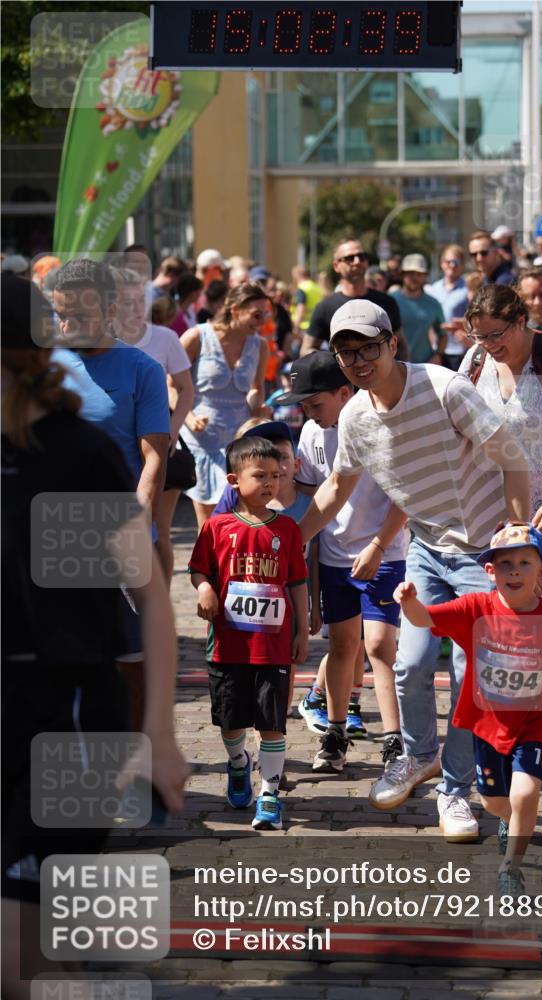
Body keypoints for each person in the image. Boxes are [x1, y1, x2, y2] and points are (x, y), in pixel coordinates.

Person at [1, 273, 189, 997]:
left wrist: (160, 735)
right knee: (37, 961)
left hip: (67, 718)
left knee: (17, 963)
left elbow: (146, 595)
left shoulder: (69, 455)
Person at [298, 299, 530, 840]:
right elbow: (336, 488)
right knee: (412, 662)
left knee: (471, 678)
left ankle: (455, 793)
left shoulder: (445, 388)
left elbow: (511, 455)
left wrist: (516, 541)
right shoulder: (354, 416)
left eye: (368, 348)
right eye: (346, 352)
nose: (358, 361)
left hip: (481, 550)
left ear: (392, 344)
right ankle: (420, 756)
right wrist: (288, 539)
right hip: (426, 548)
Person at [393, 522, 542, 896]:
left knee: (525, 793)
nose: (515, 570)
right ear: (490, 572)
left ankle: (511, 868)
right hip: (487, 727)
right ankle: (511, 821)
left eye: (525, 563)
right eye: (505, 563)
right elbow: (424, 618)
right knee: (495, 801)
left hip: (534, 726)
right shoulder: (475, 609)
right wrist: (409, 600)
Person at [52, 259, 171, 728]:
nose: (66, 326)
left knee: (130, 660)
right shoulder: (44, 368)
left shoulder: (140, 369)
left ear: (107, 308)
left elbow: (155, 460)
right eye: (59, 314)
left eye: (77, 316)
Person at [275, 351, 407, 772]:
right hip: (334, 558)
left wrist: (380, 547)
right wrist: (311, 590)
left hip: (383, 554)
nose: (308, 413)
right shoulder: (313, 433)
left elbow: (403, 500)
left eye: (314, 404)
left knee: (380, 647)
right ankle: (335, 736)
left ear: (344, 392)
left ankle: (393, 741)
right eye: (303, 407)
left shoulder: (382, 425)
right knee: (342, 645)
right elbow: (316, 503)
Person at [189, 436, 309, 831]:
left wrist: (302, 629)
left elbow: (297, 582)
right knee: (231, 721)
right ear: (234, 480)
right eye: (260, 475)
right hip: (227, 646)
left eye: (276, 475)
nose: (270, 483)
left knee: (272, 723)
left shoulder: (288, 530)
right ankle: (238, 763)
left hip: (272, 649)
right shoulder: (218, 527)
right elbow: (199, 568)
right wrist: (205, 587)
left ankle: (270, 794)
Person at [461, 284, 542, 613]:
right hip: (491, 514)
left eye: (496, 335)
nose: (489, 345)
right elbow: (456, 426)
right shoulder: (476, 359)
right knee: (497, 621)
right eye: (480, 336)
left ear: (520, 320)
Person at [112, 266, 195, 584]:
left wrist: (172, 430)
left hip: (158, 445)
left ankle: (160, 610)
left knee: (159, 530)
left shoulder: (164, 338)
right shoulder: (102, 342)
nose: (133, 308)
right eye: (125, 301)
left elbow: (186, 389)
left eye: (138, 302)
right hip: (120, 444)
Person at [180, 283, 270, 530]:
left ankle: (228, 568)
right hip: (202, 442)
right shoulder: (197, 337)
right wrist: (188, 417)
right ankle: (204, 569)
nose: (262, 322)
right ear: (235, 309)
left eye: (265, 315)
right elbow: (170, 384)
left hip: (237, 443)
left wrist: (258, 408)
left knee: (236, 518)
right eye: (256, 315)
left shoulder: (260, 346)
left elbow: (256, 387)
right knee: (208, 522)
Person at [300, 237, 407, 359]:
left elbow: (401, 345)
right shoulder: (325, 307)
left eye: (361, 256)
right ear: (336, 266)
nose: (357, 261)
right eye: (349, 258)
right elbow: (306, 349)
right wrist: (334, 361)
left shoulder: (386, 302)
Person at [391, 253, 446, 364]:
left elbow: (443, 335)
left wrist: (438, 355)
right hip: (394, 366)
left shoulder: (433, 304)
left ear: (425, 276)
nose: (415, 277)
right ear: (402, 274)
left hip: (424, 366)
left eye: (419, 274)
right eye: (410, 273)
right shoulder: (390, 301)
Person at [425, 244, 470, 370]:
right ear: (441, 263)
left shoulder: (467, 290)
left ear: (462, 265)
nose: (452, 265)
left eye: (456, 262)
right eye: (448, 261)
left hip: (458, 350)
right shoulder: (433, 289)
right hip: (435, 351)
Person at [290, 265, 323, 338]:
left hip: (303, 326)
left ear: (296, 276)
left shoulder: (302, 288)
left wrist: (295, 327)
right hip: (315, 324)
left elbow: (300, 309)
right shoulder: (315, 286)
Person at [170, 273, 204, 337]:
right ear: (191, 293)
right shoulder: (174, 313)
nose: (199, 295)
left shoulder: (191, 308)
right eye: (198, 291)